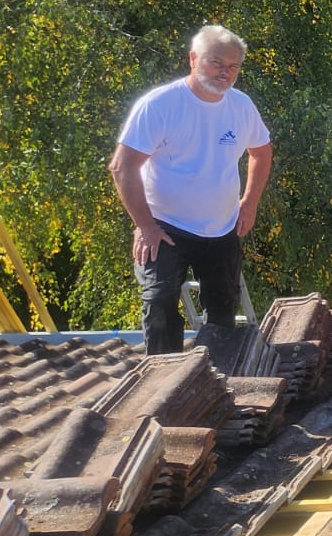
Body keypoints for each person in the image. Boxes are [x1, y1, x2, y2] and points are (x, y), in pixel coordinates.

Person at [109, 24, 273, 354]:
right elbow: (122, 167)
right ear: (193, 59)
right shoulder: (160, 105)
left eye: (233, 66)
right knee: (159, 302)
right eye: (217, 63)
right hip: (166, 227)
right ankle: (163, 380)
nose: (225, 73)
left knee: (223, 309)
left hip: (222, 226)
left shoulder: (240, 106)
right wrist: (145, 226)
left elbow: (262, 151)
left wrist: (250, 203)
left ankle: (215, 383)